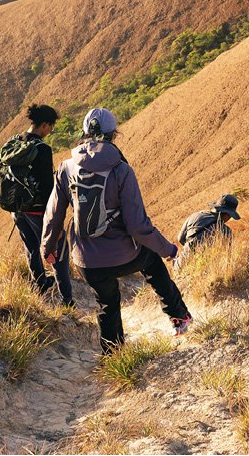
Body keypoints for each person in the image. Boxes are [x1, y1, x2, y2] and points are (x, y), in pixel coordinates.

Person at [41, 107, 192, 353]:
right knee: (152, 262)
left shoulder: (66, 168)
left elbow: (53, 215)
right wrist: (169, 250)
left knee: (107, 303)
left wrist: (47, 248)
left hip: (86, 261)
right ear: (113, 134)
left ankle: (114, 355)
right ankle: (178, 317)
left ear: (83, 132)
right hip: (126, 256)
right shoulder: (121, 170)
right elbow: (138, 227)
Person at [11, 104, 74, 305]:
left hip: (17, 209)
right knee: (58, 250)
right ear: (45, 125)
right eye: (51, 127)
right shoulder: (42, 149)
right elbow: (47, 187)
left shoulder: (15, 142)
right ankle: (67, 300)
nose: (51, 131)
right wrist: (54, 218)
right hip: (38, 210)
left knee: (31, 248)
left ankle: (40, 286)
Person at [174, 194, 241, 271]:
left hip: (181, 265)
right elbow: (227, 258)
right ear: (227, 215)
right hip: (204, 271)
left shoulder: (195, 216)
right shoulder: (226, 231)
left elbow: (180, 239)